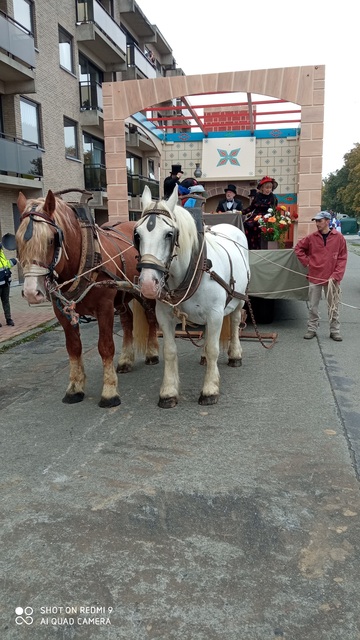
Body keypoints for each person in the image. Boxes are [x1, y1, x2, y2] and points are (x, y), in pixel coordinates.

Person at [294, 211, 348, 341]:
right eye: (316, 221)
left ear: (328, 221)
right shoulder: (312, 237)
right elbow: (298, 248)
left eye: (319, 221)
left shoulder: (339, 237)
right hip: (315, 276)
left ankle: (334, 330)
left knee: (333, 305)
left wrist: (336, 275)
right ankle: (312, 329)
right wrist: (307, 262)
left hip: (332, 278)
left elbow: (342, 258)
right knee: (313, 306)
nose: (317, 223)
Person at [242, 176, 278, 250]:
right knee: (246, 224)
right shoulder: (257, 196)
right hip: (256, 215)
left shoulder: (273, 197)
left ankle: (259, 248)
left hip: (267, 215)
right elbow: (251, 207)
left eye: (270, 188)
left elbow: (274, 210)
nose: (268, 190)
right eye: (266, 188)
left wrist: (270, 217)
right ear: (262, 188)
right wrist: (242, 212)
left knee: (259, 225)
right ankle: (250, 247)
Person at [0, 242, 18, 327]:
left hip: (6, 283)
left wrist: (13, 261)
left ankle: (8, 319)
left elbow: (6, 264)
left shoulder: (1, 254)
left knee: (6, 301)